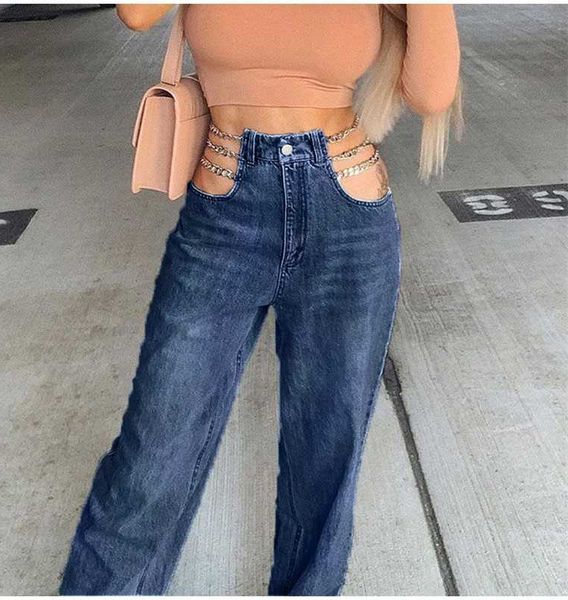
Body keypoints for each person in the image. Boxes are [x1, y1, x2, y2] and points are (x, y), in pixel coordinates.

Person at [59, 4, 462, 595]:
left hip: (346, 217)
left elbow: (431, 93)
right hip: (224, 216)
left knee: (325, 453)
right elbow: (137, 13)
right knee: (154, 451)